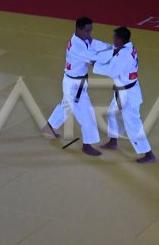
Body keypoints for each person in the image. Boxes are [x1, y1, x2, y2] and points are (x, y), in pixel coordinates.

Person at [42, 16, 109, 157]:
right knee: (86, 113)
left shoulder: (81, 39)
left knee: (67, 105)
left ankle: (49, 127)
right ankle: (87, 144)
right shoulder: (78, 48)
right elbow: (96, 59)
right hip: (75, 85)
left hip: (73, 82)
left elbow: (94, 44)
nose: (89, 34)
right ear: (78, 29)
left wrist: (112, 47)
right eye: (87, 31)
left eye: (91, 31)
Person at [95, 26, 155, 164]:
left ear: (121, 40)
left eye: (115, 37)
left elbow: (112, 71)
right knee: (112, 113)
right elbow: (113, 55)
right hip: (123, 90)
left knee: (133, 124)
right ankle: (113, 141)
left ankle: (149, 154)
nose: (113, 39)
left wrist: (95, 65)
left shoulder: (125, 54)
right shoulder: (127, 47)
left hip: (128, 93)